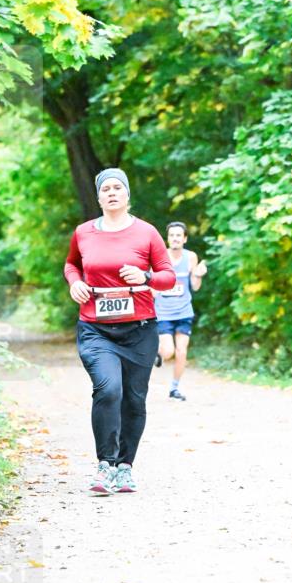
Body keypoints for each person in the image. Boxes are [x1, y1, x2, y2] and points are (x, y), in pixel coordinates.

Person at [64, 168, 175, 495]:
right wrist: (75, 283)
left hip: (139, 330)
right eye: (106, 189)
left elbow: (168, 277)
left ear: (127, 195)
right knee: (109, 389)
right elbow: (72, 264)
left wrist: (145, 277)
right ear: (99, 197)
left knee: (134, 401)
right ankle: (105, 465)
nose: (112, 192)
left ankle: (125, 467)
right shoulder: (84, 233)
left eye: (118, 188)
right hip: (96, 328)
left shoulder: (147, 233)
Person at [153, 221, 207, 401]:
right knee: (168, 352)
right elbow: (152, 287)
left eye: (178, 236)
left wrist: (198, 275)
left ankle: (174, 389)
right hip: (164, 312)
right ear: (167, 239)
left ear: (184, 239)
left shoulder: (191, 257)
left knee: (182, 351)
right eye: (172, 235)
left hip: (184, 311)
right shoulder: (160, 258)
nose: (175, 239)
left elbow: (195, 286)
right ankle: (156, 353)